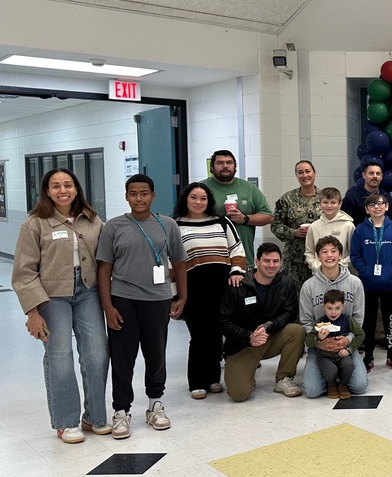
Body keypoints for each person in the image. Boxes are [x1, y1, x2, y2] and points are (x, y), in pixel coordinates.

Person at [13, 168, 110, 443]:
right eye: (56, 186)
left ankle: (94, 416)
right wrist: (33, 312)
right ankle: (66, 422)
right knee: (60, 357)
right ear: (46, 191)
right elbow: (24, 272)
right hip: (51, 297)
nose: (63, 190)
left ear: (77, 189)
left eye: (68, 185)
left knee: (96, 353)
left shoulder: (92, 220)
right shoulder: (35, 224)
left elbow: (105, 258)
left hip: (87, 292)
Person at [97, 174, 187, 439]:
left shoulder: (167, 225)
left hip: (157, 299)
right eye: (133, 194)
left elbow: (180, 263)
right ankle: (121, 411)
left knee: (156, 354)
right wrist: (107, 307)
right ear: (126, 196)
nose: (139, 198)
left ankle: (154, 405)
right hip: (123, 299)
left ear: (153, 195)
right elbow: (104, 268)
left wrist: (182, 297)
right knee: (123, 358)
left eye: (144, 193)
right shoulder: (113, 227)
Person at [172, 182, 246, 399]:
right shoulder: (175, 226)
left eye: (203, 198)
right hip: (192, 288)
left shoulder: (222, 222)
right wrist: (175, 294)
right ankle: (196, 381)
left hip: (222, 287)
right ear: (185, 199)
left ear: (209, 201)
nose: (198, 202)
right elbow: (171, 260)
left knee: (216, 332)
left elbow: (237, 249)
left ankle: (213, 378)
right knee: (199, 334)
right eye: (193, 197)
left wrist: (236, 272)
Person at [218, 242, 304, 401]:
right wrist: (248, 336)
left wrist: (268, 326)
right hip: (242, 344)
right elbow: (224, 321)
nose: (271, 265)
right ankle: (247, 375)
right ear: (257, 262)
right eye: (266, 261)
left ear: (281, 262)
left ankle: (283, 379)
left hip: (270, 337)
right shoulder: (238, 285)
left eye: (275, 261)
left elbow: (289, 314)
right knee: (239, 394)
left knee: (296, 330)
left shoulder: (286, 284)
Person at [300, 235, 368, 397]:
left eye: (333, 251)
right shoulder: (308, 286)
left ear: (340, 255)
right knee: (312, 391)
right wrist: (318, 342)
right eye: (324, 252)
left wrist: (348, 341)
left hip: (345, 346)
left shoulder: (355, 283)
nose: (329, 255)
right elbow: (306, 321)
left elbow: (358, 319)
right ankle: (330, 376)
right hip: (320, 349)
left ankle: (339, 374)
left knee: (359, 387)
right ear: (318, 257)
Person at [350, 193, 392, 372]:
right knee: (369, 321)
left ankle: (391, 354)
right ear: (367, 209)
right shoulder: (360, 229)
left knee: (391, 319)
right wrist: (365, 272)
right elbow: (355, 256)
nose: (377, 207)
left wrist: (391, 270)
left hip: (390, 283)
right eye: (372, 205)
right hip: (367, 284)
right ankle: (369, 355)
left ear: (387, 207)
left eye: (380, 204)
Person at [202, 149, 273, 268]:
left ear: (235, 166)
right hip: (210, 259)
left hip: (243, 260)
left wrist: (245, 218)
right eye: (220, 163)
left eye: (229, 162)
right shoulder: (201, 188)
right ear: (212, 167)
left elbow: (269, 216)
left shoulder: (249, 188)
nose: (225, 166)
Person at [271, 160, 320, 289]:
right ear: (296, 176)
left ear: (314, 173)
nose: (305, 175)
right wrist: (294, 232)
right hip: (294, 260)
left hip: (320, 258)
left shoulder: (324, 198)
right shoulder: (287, 199)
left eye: (308, 171)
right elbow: (275, 225)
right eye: (300, 172)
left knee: (318, 296)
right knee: (293, 297)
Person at [307, 289, 365, 400]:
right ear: (323, 307)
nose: (333, 312)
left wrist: (349, 349)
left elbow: (360, 334)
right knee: (330, 369)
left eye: (337, 308)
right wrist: (318, 338)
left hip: (342, 354)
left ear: (343, 306)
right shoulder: (320, 323)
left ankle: (343, 384)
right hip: (324, 356)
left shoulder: (348, 320)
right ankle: (331, 385)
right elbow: (308, 341)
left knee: (349, 366)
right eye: (329, 308)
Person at [304, 187, 356, 274]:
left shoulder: (348, 226)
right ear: (320, 204)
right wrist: (315, 266)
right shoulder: (314, 227)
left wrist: (338, 266)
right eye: (325, 202)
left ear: (340, 204)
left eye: (333, 202)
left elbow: (353, 253)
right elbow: (309, 252)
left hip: (342, 273)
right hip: (319, 274)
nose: (329, 206)